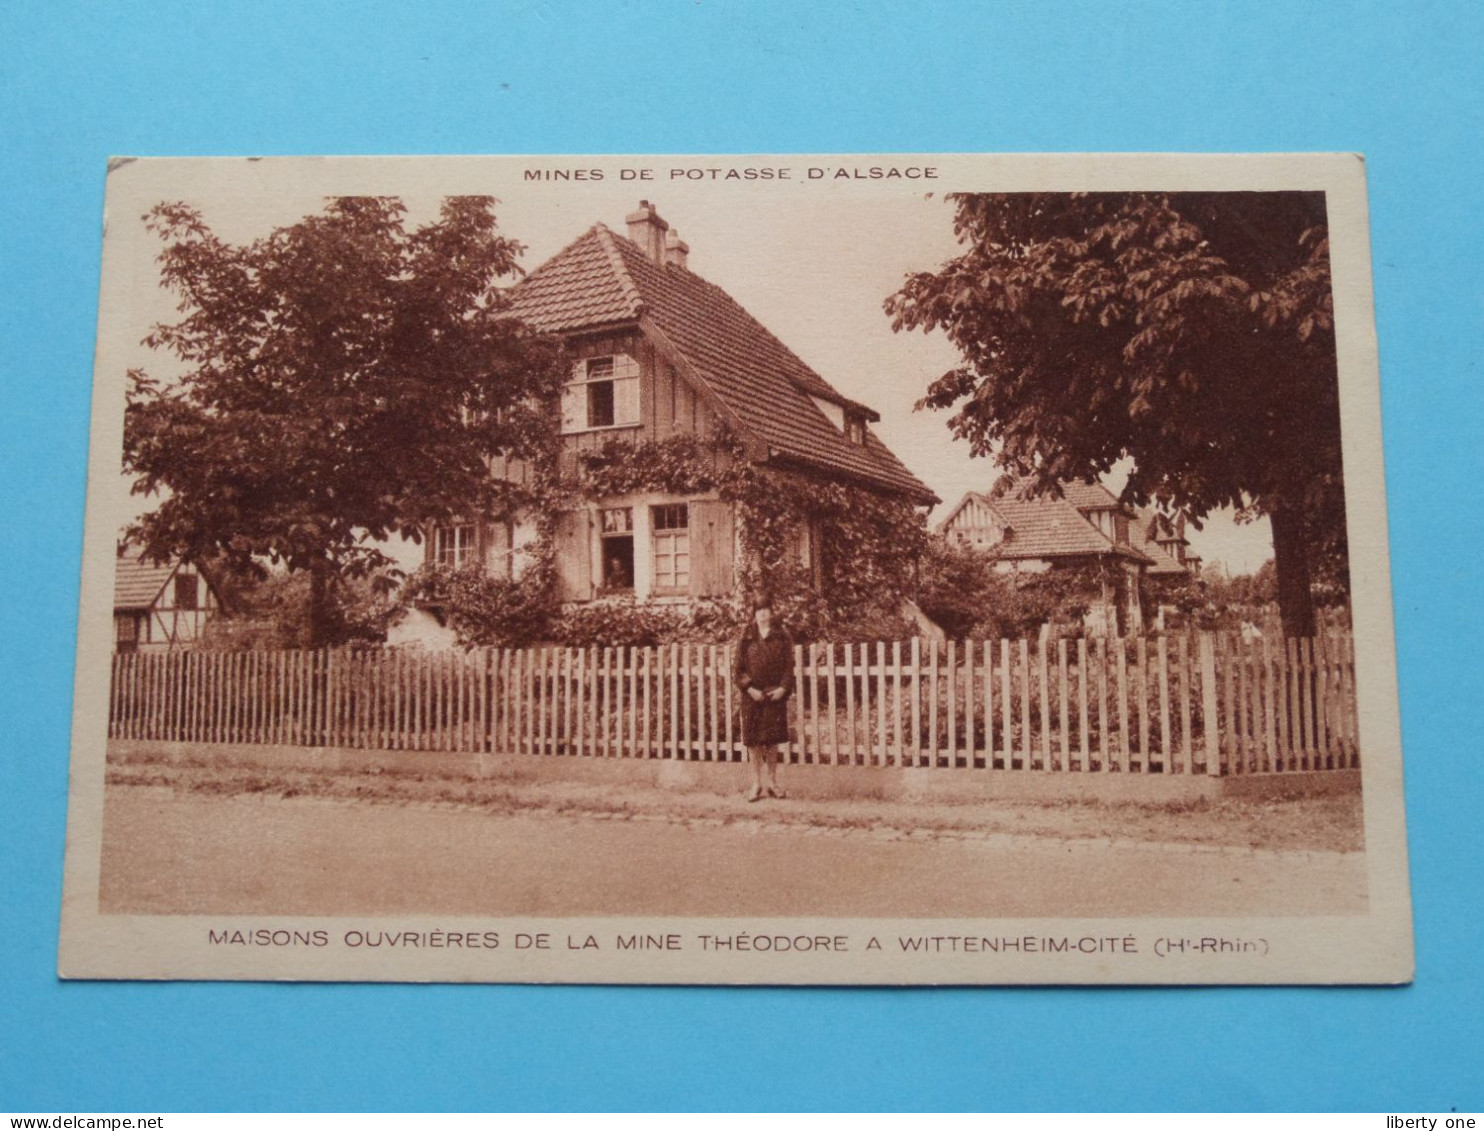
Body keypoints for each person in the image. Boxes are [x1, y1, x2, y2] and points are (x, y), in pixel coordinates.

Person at [732, 602, 794, 802]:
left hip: (774, 695)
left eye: (766, 610)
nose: (763, 615)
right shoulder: (746, 637)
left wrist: (783, 689)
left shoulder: (781, 636)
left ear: (771, 612)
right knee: (754, 742)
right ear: (754, 613)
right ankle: (756, 784)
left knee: (772, 742)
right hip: (753, 697)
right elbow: (738, 670)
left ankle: (773, 783)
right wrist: (749, 689)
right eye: (759, 611)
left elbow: (788, 667)